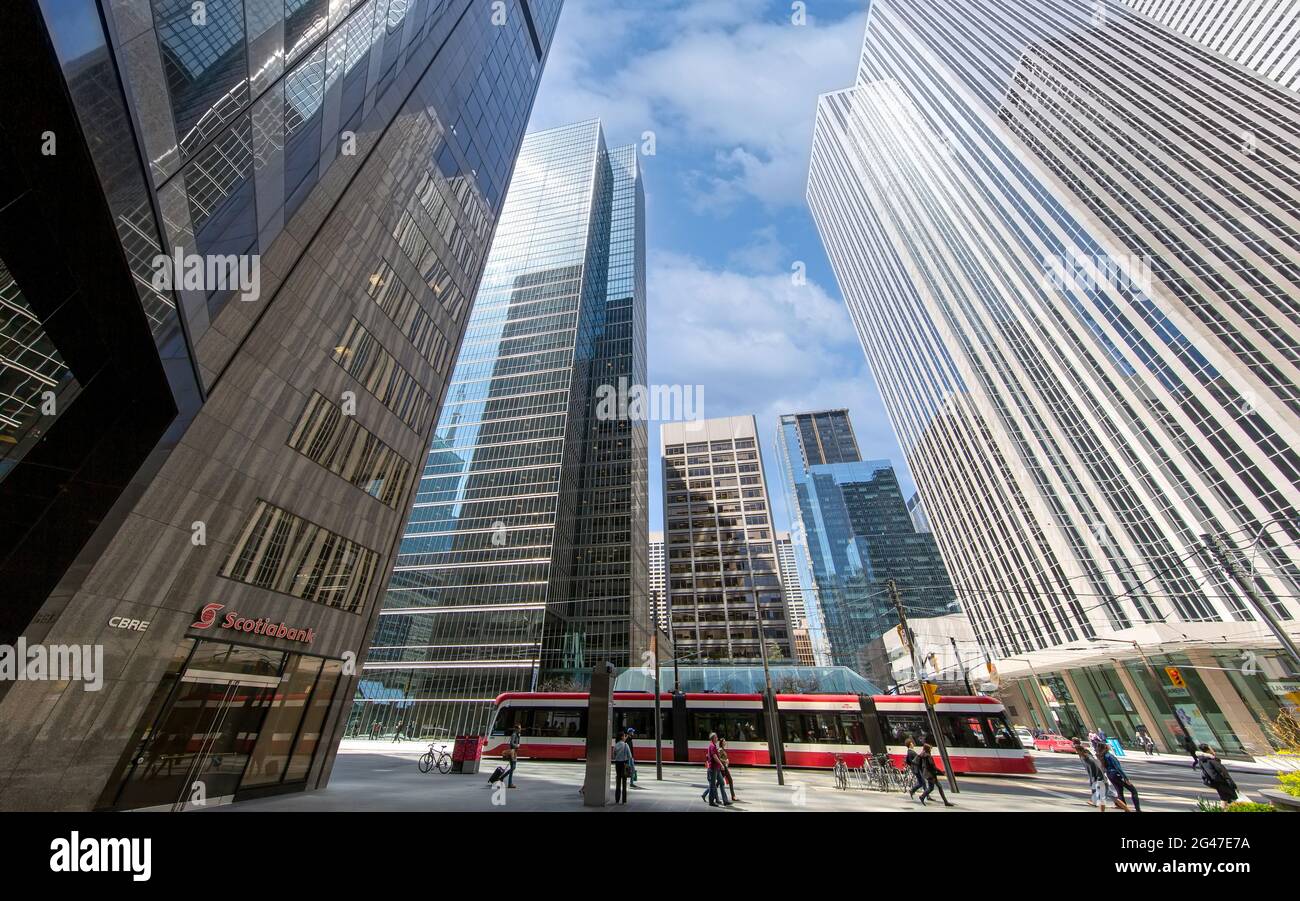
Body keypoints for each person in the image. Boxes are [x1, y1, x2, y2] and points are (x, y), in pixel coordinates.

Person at [1076, 741, 1125, 811]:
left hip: (1102, 779)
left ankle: (1094, 800)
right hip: (1102, 779)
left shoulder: (1091, 759)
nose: (1096, 749)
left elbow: (1097, 770)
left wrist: (1125, 777)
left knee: (1103, 798)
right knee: (1111, 796)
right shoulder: (1088, 758)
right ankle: (1126, 809)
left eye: (1098, 748)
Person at [1099, 743, 1140, 812]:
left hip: (1110, 775)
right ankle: (1137, 809)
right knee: (1133, 791)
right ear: (1106, 747)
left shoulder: (1103, 756)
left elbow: (1103, 768)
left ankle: (1125, 808)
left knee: (1120, 791)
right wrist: (1126, 778)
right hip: (1116, 774)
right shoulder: (1109, 756)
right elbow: (1118, 767)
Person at [701, 732, 731, 807]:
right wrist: (721, 764)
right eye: (716, 737)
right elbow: (714, 756)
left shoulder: (713, 745)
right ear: (713, 738)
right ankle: (711, 802)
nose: (717, 738)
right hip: (713, 768)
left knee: (721, 782)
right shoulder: (712, 746)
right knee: (712, 785)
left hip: (716, 768)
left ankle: (725, 800)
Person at [612, 732, 632, 804]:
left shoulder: (616, 745)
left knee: (618, 781)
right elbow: (630, 756)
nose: (625, 737)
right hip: (624, 764)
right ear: (621, 737)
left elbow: (613, 756)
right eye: (624, 736)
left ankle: (617, 799)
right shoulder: (626, 745)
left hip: (617, 764)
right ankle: (624, 800)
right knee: (624, 782)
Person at [718, 737, 737, 803]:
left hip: (724, 767)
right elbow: (718, 759)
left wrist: (726, 761)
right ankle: (733, 796)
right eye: (724, 741)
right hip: (723, 768)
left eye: (725, 741)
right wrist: (725, 761)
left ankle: (705, 794)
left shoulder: (723, 749)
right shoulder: (720, 750)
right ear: (721, 742)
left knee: (718, 783)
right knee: (730, 780)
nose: (725, 742)